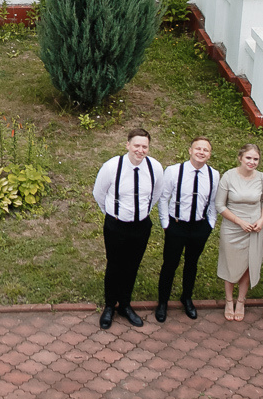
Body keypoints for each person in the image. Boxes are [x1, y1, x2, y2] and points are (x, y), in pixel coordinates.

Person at [93, 128, 164, 329]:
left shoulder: (155, 168)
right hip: (116, 225)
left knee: (132, 266)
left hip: (141, 226)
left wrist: (143, 213)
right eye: (137, 145)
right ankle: (109, 306)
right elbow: (99, 193)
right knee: (114, 265)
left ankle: (125, 305)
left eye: (144, 146)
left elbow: (156, 193)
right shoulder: (112, 167)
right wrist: (112, 214)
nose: (140, 150)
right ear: (128, 145)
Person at [154, 136, 219, 322]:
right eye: (198, 148)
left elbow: (213, 202)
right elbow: (163, 198)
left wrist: (210, 224)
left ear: (209, 154)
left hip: (199, 227)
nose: (201, 152)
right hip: (176, 226)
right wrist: (166, 223)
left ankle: (187, 298)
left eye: (205, 150)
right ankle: (163, 302)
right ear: (190, 150)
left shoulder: (214, 175)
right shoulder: (174, 171)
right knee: (170, 264)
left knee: (192, 264)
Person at [215, 143, 263, 322]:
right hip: (233, 228)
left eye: (256, 159)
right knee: (231, 264)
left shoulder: (262, 178)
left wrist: (262, 220)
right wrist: (239, 222)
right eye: (248, 158)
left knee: (248, 265)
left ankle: (241, 301)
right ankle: (229, 300)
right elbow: (219, 205)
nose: (252, 162)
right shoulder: (228, 177)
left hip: (254, 229)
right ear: (240, 158)